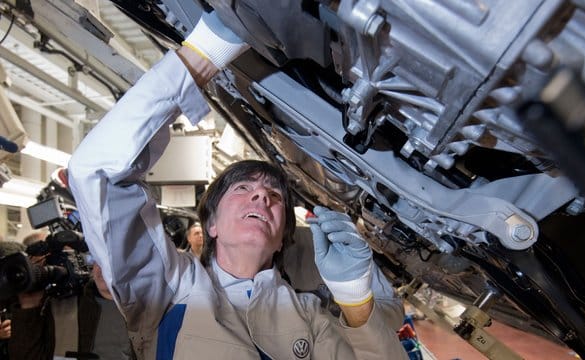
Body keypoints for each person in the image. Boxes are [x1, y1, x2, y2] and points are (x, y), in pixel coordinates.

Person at [67, 10, 409, 360]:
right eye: (242, 188)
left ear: (281, 241)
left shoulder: (311, 317)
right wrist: (200, 58)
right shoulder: (168, 292)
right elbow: (97, 172)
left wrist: (355, 299)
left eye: (274, 196)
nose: (262, 194)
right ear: (211, 225)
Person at [8, 263, 135, 359]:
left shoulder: (146, 305)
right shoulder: (63, 303)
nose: (102, 267)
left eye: (108, 257)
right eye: (98, 256)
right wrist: (29, 306)